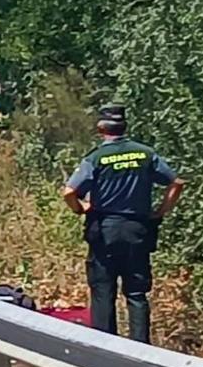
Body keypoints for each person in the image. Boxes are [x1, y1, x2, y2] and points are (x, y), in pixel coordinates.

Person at [62, 105, 185, 343]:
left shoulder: (96, 157)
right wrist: (160, 212)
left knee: (103, 291)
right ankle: (141, 349)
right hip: (138, 230)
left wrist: (80, 208)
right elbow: (176, 183)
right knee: (137, 293)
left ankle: (106, 348)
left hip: (105, 230)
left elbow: (69, 192)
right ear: (124, 127)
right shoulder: (145, 154)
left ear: (101, 129)